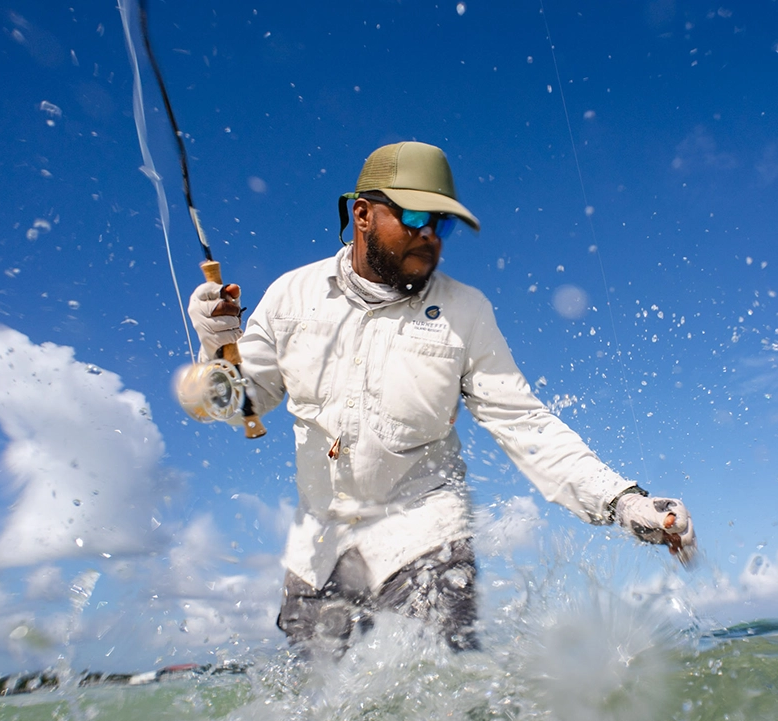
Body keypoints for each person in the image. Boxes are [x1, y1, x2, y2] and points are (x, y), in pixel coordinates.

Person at [188, 141, 695, 656]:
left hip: (427, 535)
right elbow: (244, 404)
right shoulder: (287, 297)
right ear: (362, 214)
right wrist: (215, 346)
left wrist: (622, 499)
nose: (429, 235)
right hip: (318, 547)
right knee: (313, 714)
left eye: (442, 224)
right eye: (413, 215)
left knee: (444, 696)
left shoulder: (467, 311)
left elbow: (524, 423)